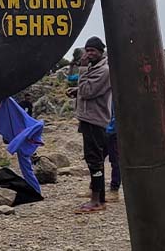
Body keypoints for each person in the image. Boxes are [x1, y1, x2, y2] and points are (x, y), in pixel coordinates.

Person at [69, 36, 111, 213]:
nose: (89, 54)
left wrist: (83, 69)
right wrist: (76, 90)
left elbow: (88, 91)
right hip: (88, 118)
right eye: (87, 50)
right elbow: (85, 89)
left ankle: (96, 201)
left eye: (92, 50)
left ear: (101, 52)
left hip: (95, 120)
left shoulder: (104, 70)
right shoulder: (96, 67)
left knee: (94, 160)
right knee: (94, 158)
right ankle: (99, 196)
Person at [106, 113, 121, 195]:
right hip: (106, 129)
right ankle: (94, 187)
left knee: (115, 160)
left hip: (112, 131)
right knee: (97, 158)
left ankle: (114, 190)